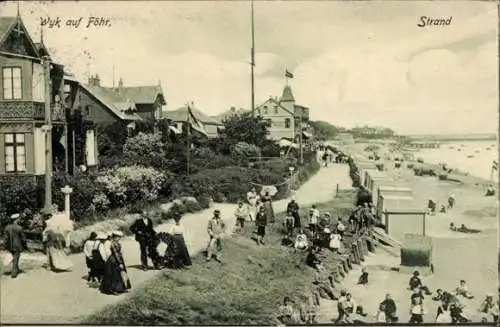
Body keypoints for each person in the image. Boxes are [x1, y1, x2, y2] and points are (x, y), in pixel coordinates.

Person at [100, 231, 131, 295]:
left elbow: (119, 253)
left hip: (118, 259)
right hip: (114, 260)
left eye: (119, 237)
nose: (119, 238)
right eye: (118, 237)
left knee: (119, 274)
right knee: (115, 275)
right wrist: (120, 263)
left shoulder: (116, 243)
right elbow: (116, 253)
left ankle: (121, 288)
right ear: (115, 237)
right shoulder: (113, 243)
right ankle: (114, 289)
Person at [3, 214, 27, 278]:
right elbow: (23, 238)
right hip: (17, 246)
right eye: (18, 219)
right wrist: (25, 245)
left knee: (14, 258)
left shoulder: (7, 227)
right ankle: (14, 273)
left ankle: (16, 269)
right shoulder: (19, 228)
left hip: (9, 246)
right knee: (16, 258)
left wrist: (5, 246)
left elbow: (5, 238)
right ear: (16, 220)